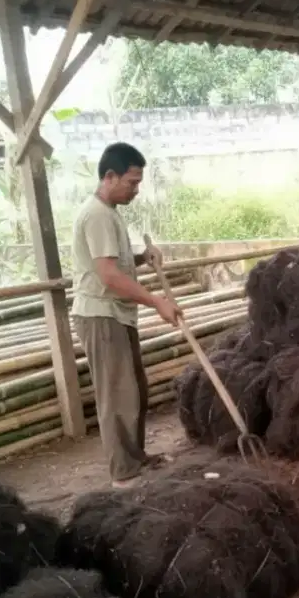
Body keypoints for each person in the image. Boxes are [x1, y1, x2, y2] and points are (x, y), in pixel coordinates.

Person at [70, 142, 182, 488]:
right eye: (132, 182)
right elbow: (109, 276)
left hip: (116, 314)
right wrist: (157, 302)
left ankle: (135, 459)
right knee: (118, 397)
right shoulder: (97, 215)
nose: (136, 189)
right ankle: (123, 474)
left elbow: (113, 263)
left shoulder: (108, 213)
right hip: (101, 316)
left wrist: (141, 257)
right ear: (110, 176)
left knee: (135, 391)